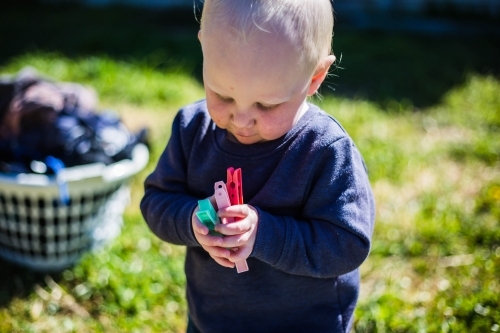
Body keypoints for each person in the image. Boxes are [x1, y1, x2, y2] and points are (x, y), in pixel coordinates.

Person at [140, 0, 375, 332]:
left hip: (306, 323)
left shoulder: (324, 151)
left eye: (267, 104)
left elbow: (347, 244)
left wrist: (264, 234)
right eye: (222, 95)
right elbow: (156, 202)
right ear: (204, 47)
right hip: (213, 319)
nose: (242, 118)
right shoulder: (192, 129)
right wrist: (193, 220)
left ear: (315, 78)